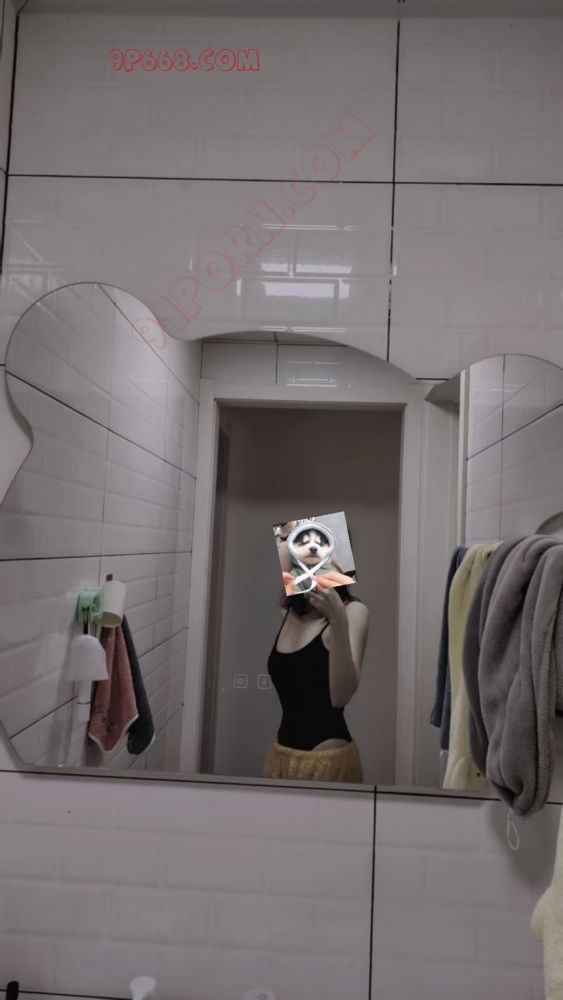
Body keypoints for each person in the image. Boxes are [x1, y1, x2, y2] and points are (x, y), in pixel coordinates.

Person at [264, 572, 369, 784]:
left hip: (328, 761)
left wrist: (338, 619)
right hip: (280, 758)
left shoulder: (354, 612)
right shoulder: (287, 613)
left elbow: (341, 697)